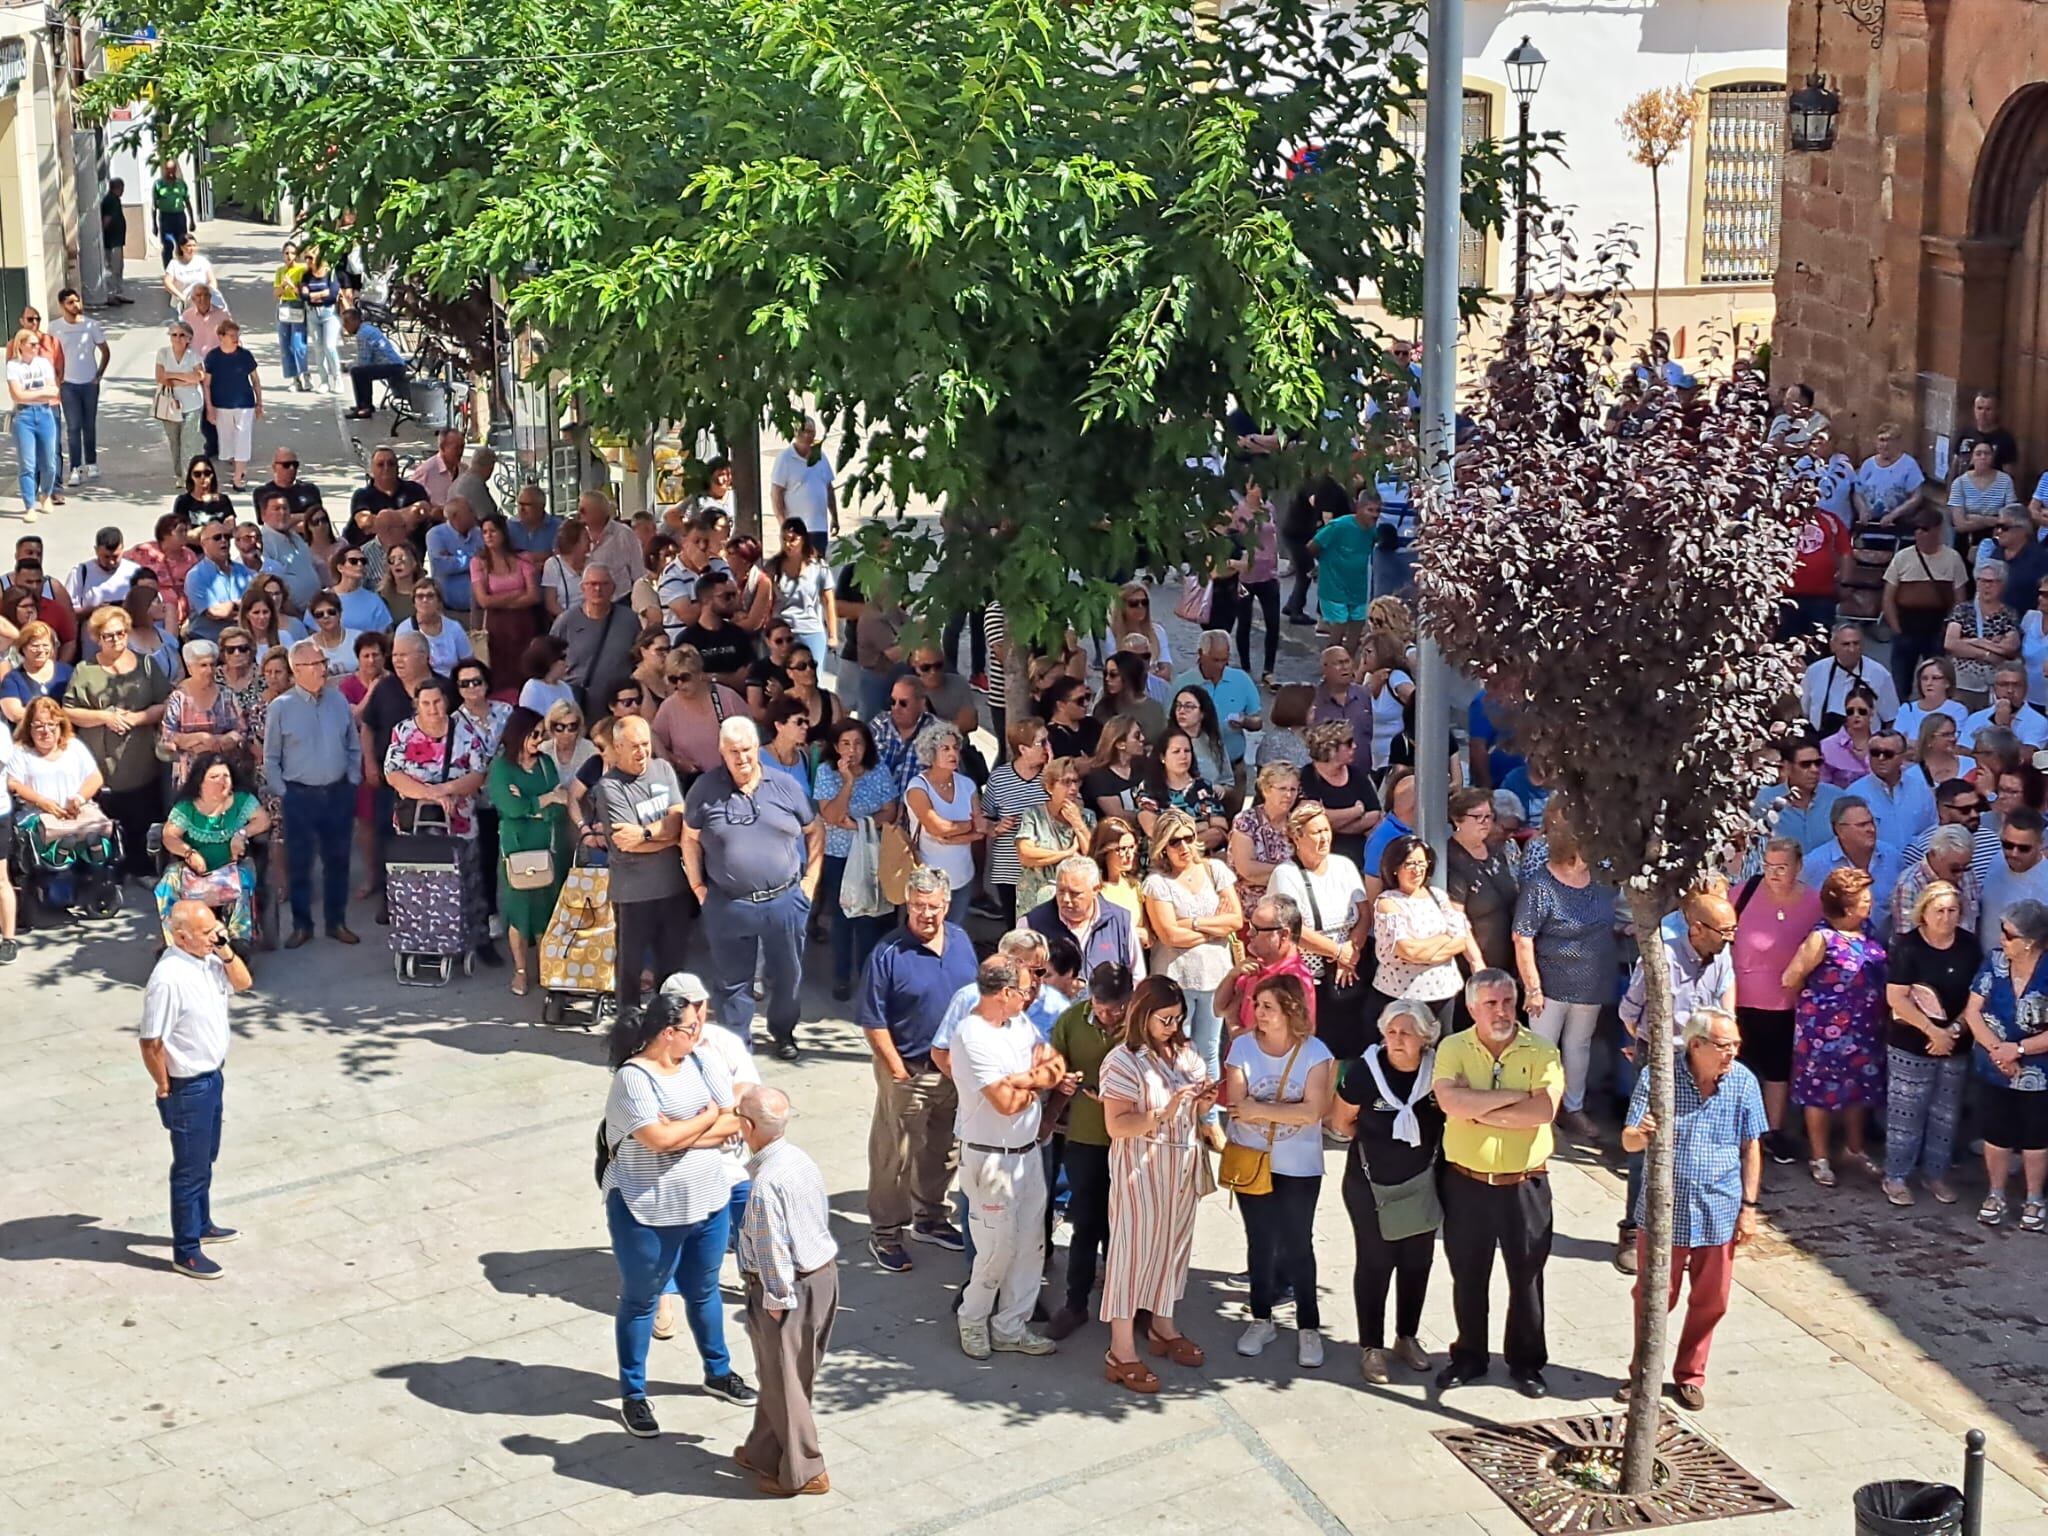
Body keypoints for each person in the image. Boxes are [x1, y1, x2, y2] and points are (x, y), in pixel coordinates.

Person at [599, 990, 755, 1439]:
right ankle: (633, 1393)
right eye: (691, 1028)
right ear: (668, 1034)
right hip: (647, 1209)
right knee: (642, 1299)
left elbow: (734, 1122)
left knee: (703, 1290)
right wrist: (705, 1120)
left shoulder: (702, 1063)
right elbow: (657, 1141)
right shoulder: (634, 1079)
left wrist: (688, 1127)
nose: (698, 1033)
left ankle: (718, 1371)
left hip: (707, 1199)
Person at [1617, 1009, 1765, 1411]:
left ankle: (1690, 1375)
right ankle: (1643, 1375)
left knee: (1712, 1299)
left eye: (1736, 1045)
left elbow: (1751, 1147)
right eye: (1723, 1045)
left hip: (1718, 1210)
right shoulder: (1658, 1078)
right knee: (1653, 1298)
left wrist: (1749, 1208)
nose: (1731, 1053)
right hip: (1664, 1212)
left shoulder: (1743, 1082)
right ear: (1696, 1045)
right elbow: (1629, 1141)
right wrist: (1640, 1133)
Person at [1431, 970, 1562, 1397]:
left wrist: (1477, 1109)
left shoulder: (1542, 1051)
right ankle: (1469, 1356)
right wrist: (1511, 1101)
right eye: (1491, 1004)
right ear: (1472, 1008)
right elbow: (1448, 1101)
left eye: (1507, 1001)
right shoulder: (1453, 1047)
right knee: (1468, 1273)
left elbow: (1542, 1111)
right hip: (1466, 1182)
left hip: (1525, 1183)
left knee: (1527, 1276)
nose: (1502, 1011)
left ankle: (1526, 1363)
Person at [1097, 973, 1216, 1392]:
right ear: (1143, 1015)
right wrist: (1161, 1114)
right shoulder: (1122, 1061)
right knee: (1131, 1255)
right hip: (1140, 1172)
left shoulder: (1185, 1052)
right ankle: (1121, 1350)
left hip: (1181, 1166)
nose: (1173, 1027)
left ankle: (1163, 1327)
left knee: (1174, 1248)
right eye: (1164, 1019)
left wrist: (1202, 1103)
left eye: (1178, 1019)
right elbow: (1116, 1124)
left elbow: (1195, 1109)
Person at [948, 953, 1067, 1360]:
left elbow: (1055, 1064)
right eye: (1024, 989)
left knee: (1031, 1245)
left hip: (1028, 1153)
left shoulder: (1019, 1023)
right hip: (990, 1160)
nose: (1030, 995)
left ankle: (1011, 1326)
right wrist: (1033, 1081)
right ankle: (972, 1318)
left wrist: (1023, 1079)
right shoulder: (972, 1035)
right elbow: (1005, 1103)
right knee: (997, 1249)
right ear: (1004, 994)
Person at [683, 716, 823, 1060]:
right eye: (733, 752)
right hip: (728, 904)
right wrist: (698, 886)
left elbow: (814, 828)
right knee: (732, 984)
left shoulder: (785, 786)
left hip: (785, 900)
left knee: (788, 978)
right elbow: (689, 838)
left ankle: (783, 1032)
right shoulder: (704, 788)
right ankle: (736, 1047)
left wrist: (810, 883)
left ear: (757, 749)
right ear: (722, 752)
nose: (741, 758)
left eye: (746, 750)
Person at [858, 867, 976, 1274]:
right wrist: (898, 1072)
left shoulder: (961, 940)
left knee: (944, 1150)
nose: (924, 914)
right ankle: (886, 1233)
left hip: (953, 1071)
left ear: (946, 904)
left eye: (932, 906)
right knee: (895, 1155)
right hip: (908, 1069)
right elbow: (873, 1021)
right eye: (916, 906)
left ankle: (930, 1218)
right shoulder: (888, 953)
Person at [732, 1085, 838, 1499]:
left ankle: (806, 1470)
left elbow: (771, 1247)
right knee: (787, 1377)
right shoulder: (798, 1160)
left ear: (748, 1125)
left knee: (784, 1382)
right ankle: (764, 1450)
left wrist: (775, 1301)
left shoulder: (765, 1185)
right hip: (821, 1276)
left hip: (787, 1289)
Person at [1225, 974, 1336, 1368]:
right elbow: (1237, 1103)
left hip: (1299, 1166)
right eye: (1257, 1005)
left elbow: (1312, 1112)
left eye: (1268, 1006)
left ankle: (1308, 1326)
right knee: (1260, 1241)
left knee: (1298, 1243)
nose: (1258, 1013)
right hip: (1252, 1161)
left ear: (1290, 1010)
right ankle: (1261, 1318)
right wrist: (1270, 1110)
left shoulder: (1315, 1052)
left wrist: (1261, 1109)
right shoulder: (1241, 1046)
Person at [1332, 999, 1444, 1383]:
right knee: (1376, 1263)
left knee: (1417, 1262)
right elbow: (1341, 1120)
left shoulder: (1438, 1071)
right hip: (1369, 1184)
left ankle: (1407, 1337)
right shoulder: (1367, 1071)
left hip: (1421, 1183)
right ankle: (1371, 1348)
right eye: (1391, 1032)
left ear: (1425, 1038)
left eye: (1406, 1033)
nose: (1396, 1040)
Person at [140, 899, 252, 1280]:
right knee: (189, 1169)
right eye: (206, 934)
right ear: (181, 936)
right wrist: (164, 1087)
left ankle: (203, 1223)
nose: (215, 936)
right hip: (188, 1085)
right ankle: (186, 1249)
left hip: (212, 1076)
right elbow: (150, 1042)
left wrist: (224, 949)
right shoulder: (168, 978)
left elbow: (244, 983)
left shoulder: (209, 958)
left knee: (207, 1156)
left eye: (214, 928)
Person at [1782, 867, 1888, 1188]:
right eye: (1863, 899)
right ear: (1844, 904)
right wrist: (1820, 1006)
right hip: (1822, 1032)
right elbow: (1790, 978)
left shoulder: (1868, 930)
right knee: (1819, 1093)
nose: (1870, 903)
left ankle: (1853, 1149)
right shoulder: (1821, 938)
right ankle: (1820, 1156)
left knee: (1859, 1088)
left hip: (1864, 1028)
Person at [1512, 806, 1618, 1120]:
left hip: (1591, 983)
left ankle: (1574, 1109)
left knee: (1579, 1047)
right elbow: (1522, 937)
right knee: (1542, 1050)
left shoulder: (1599, 881)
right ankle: (1539, 1109)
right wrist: (1533, 988)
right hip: (1550, 984)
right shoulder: (1542, 886)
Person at [1882, 879, 1977, 1207]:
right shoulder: (1908, 946)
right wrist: (1931, 1031)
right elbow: (1897, 997)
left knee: (1945, 1114)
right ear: (1924, 912)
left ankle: (1935, 1174)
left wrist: (1951, 1032)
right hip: (1911, 1041)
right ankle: (1895, 1176)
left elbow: (1977, 995)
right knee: (1906, 1112)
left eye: (1953, 911)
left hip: (1955, 1043)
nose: (1946, 917)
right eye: (1939, 911)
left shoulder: (1968, 945)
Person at [264, 641, 362, 947]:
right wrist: (284, 793)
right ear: (298, 670)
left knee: (338, 861)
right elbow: (270, 758)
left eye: (324, 662)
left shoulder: (338, 700)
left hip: (337, 793)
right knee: (301, 863)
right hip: (300, 796)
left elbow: (353, 744)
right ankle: (302, 925)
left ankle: (336, 922)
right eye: (317, 664)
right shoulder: (280, 708)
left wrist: (352, 780)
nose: (325, 668)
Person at [65, 605, 172, 875]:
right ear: (97, 638)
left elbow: (166, 704)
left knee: (141, 818)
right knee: (105, 822)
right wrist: (104, 716)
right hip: (100, 762)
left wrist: (136, 718)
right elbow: (69, 710)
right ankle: (107, 873)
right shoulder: (84, 670)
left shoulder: (146, 664)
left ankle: (141, 869)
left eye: (121, 633)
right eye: (109, 635)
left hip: (140, 759)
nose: (116, 640)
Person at [591, 715, 687, 1013]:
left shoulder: (663, 769)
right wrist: (668, 835)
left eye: (646, 744)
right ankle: (627, 1029)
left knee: (672, 968)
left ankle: (667, 1025)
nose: (642, 752)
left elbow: (679, 823)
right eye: (633, 746)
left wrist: (647, 834)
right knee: (630, 969)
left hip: (673, 888)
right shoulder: (608, 787)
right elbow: (625, 842)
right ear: (617, 747)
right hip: (634, 893)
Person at [1962, 898, 2048, 1231]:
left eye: (2009, 934)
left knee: (2035, 1139)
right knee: (1996, 1134)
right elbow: (1973, 1011)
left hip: (2038, 1071)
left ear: (2029, 941)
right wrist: (2000, 1051)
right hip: (1994, 1064)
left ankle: (2034, 1199)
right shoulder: (1994, 962)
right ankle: (1995, 1194)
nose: (2002, 938)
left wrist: (2020, 1050)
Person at [812, 718, 901, 999]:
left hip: (871, 851)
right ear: (836, 747)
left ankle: (866, 975)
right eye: (846, 744)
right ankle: (841, 976)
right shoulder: (827, 772)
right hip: (838, 855)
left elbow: (890, 810)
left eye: (858, 743)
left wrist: (863, 823)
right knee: (842, 917)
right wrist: (848, 781)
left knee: (868, 916)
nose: (852, 750)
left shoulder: (879, 771)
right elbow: (831, 815)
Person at [483, 706, 567, 996]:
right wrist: (543, 800)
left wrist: (535, 806)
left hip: (544, 843)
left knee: (545, 906)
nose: (538, 741)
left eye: (541, 735)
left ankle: (545, 965)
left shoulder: (545, 763)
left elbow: (559, 806)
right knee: (518, 910)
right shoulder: (502, 768)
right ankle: (520, 970)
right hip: (516, 846)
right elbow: (511, 808)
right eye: (534, 735)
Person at [153, 751, 269, 950]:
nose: (222, 782)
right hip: (194, 870)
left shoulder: (241, 800)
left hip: (232, 866)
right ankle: (174, 941)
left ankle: (240, 940)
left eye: (226, 776)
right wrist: (189, 853)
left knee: (244, 879)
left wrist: (241, 834)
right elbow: (169, 836)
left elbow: (263, 820)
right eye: (214, 777)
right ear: (201, 782)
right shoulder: (188, 807)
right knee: (167, 883)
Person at [1369, 833, 1479, 1038]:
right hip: (1403, 996)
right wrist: (1443, 938)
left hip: (1444, 992)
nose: (1417, 869)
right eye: (1409, 864)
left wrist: (1425, 950)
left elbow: (1461, 938)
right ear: (1395, 867)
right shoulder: (1387, 902)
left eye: (1421, 863)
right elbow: (1407, 950)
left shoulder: (1438, 895)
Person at [903, 720, 985, 928]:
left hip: (962, 876)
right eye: (945, 748)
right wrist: (967, 828)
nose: (953, 754)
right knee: (925, 932)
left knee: (953, 932)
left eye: (955, 748)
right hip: (929, 879)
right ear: (931, 753)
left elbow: (981, 828)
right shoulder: (917, 788)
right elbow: (938, 828)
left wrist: (952, 837)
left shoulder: (967, 784)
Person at [1025, 854, 1141, 978]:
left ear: (1096, 889)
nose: (1066, 899)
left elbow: (1137, 976)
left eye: (1075, 893)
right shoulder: (1032, 924)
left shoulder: (1120, 921)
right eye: (1061, 891)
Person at [1172, 630, 1261, 789]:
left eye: (1224, 660)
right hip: (1195, 772)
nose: (1220, 666)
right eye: (1215, 660)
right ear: (1201, 654)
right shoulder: (1182, 683)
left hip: (1235, 766)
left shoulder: (1241, 679)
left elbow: (1258, 721)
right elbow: (1169, 724)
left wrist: (1245, 721)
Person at [159, 639, 248, 793]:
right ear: (190, 667)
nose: (209, 670)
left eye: (212, 665)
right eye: (203, 665)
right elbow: (167, 736)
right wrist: (200, 738)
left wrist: (224, 740)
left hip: (223, 773)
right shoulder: (178, 697)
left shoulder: (226, 695)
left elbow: (241, 731)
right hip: (189, 774)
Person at [1446, 787, 1517, 976]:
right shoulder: (1451, 858)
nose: (1485, 823)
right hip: (1474, 965)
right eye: (1478, 817)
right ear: (1457, 819)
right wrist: (1476, 962)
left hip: (1508, 960)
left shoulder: (1495, 851)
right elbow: (1457, 919)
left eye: (1489, 816)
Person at [552, 565, 636, 713]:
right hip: (579, 704)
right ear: (582, 588)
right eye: (592, 584)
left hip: (620, 705)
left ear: (613, 588)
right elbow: (549, 659)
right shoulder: (566, 621)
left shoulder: (629, 619)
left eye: (604, 584)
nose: (598, 589)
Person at [1137, 727, 1229, 855]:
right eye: (1176, 751)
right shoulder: (1149, 789)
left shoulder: (1204, 787)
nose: (1183, 756)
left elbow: (1219, 832)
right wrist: (1201, 826)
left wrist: (1177, 840)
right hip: (1162, 862)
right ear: (1163, 757)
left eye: (1187, 751)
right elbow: (1154, 832)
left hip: (1201, 860)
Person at [49, 288, 108, 486]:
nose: (75, 306)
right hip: (68, 385)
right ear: (62, 305)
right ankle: (75, 467)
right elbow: (52, 354)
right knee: (73, 427)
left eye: (77, 301)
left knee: (89, 424)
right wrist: (57, 378)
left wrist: (98, 374)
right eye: (70, 302)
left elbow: (105, 351)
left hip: (89, 383)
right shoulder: (54, 327)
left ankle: (91, 462)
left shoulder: (91, 325)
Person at [1228, 761, 1300, 919]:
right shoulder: (1246, 821)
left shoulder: (1297, 824)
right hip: (1252, 907)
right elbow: (1247, 870)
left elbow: (1308, 869)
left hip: (1292, 904)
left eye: (1293, 789)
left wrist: (1267, 874)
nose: (1288, 795)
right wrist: (1290, 874)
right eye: (1282, 789)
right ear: (1266, 790)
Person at [1309, 487, 1377, 653]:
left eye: (1378, 510)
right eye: (1370, 510)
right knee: (1337, 633)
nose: (1375, 515)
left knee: (1355, 636)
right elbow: (1312, 546)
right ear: (1358, 508)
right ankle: (1330, 670)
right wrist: (1323, 564)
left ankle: (1348, 672)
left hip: (1358, 590)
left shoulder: (1373, 530)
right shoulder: (1339, 526)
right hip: (1334, 588)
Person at [1801, 622, 1900, 730]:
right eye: (1846, 644)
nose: (1852, 649)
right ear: (1833, 646)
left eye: (1856, 644)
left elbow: (1891, 718)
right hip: (1821, 741)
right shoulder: (1815, 671)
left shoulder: (1880, 674)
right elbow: (1803, 711)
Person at [7, 326, 60, 521]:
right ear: (21, 345)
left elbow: (54, 391)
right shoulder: (13, 366)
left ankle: (45, 494)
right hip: (24, 417)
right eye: (32, 344)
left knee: (49, 461)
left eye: (38, 344)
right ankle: (29, 505)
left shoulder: (44, 363)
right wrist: (40, 393)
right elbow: (17, 395)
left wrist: (32, 395)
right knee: (27, 464)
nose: (37, 347)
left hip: (45, 413)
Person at [201, 320, 261, 490]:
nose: (235, 339)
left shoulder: (245, 355)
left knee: (242, 437)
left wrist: (259, 403)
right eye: (231, 335)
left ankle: (238, 477)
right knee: (226, 441)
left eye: (237, 335)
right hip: (221, 404)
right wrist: (209, 407)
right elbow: (206, 384)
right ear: (221, 337)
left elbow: (255, 380)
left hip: (245, 403)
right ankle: (236, 465)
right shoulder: (213, 357)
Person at [770, 419, 838, 554]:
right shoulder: (785, 458)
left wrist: (835, 517)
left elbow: (829, 489)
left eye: (810, 432)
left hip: (819, 528)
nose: (807, 435)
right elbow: (776, 493)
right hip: (795, 530)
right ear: (795, 433)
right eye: (803, 431)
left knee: (817, 568)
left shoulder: (821, 457)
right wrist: (783, 524)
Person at [339, 308, 409, 419]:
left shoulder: (363, 334)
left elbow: (364, 361)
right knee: (362, 372)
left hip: (393, 366)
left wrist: (348, 366)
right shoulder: (367, 328)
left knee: (358, 372)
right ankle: (365, 405)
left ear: (355, 321)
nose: (345, 326)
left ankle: (364, 407)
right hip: (395, 364)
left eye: (347, 322)